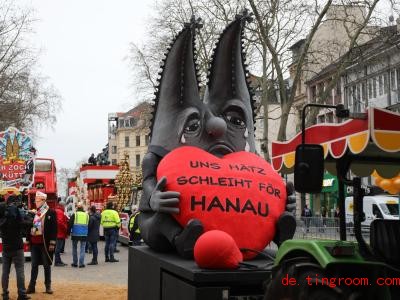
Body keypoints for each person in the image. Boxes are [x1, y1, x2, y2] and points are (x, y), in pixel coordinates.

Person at [0, 195, 31, 300]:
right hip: (17, 247)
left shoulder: (2, 216)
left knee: (5, 271)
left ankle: (5, 294)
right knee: (19, 270)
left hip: (6, 247)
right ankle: (21, 294)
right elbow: (24, 223)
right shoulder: (17, 214)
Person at [27, 191, 57, 295]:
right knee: (34, 265)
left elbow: (54, 229)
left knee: (46, 265)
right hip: (35, 242)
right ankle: (31, 286)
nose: (36, 202)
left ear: (43, 201)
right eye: (35, 200)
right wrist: (28, 237)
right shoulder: (35, 213)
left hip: (45, 242)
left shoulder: (51, 212)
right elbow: (30, 227)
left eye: (37, 200)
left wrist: (52, 242)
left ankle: (48, 286)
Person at [68, 202, 89, 268]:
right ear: (82, 208)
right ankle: (81, 263)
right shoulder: (87, 215)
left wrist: (68, 233)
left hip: (75, 234)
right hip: (84, 234)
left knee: (74, 248)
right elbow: (89, 224)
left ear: (77, 208)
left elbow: (70, 224)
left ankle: (75, 263)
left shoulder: (75, 214)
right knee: (82, 248)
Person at [54, 201, 69, 266]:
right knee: (58, 248)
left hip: (57, 232)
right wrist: (65, 228)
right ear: (62, 206)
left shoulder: (56, 210)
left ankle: (59, 261)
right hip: (60, 233)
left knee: (58, 248)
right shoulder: (60, 212)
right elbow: (60, 222)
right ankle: (57, 262)